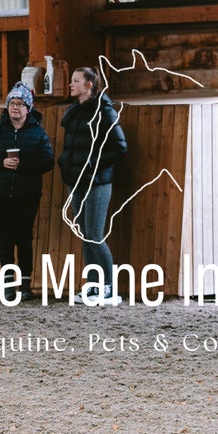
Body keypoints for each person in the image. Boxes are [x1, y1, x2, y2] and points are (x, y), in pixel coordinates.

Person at [0, 81, 54, 299]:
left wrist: (23, 164)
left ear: (28, 108)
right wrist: (1, 163)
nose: (15, 107)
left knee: (25, 237)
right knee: (5, 239)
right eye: (12, 103)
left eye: (20, 104)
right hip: (0, 193)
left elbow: (47, 161)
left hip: (27, 193)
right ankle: (9, 285)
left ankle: (26, 284)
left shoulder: (38, 133)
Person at [58, 65, 127, 305]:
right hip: (76, 180)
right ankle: (94, 285)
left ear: (88, 85)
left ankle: (110, 287)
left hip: (97, 182)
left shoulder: (104, 112)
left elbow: (119, 146)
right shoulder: (74, 112)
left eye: (76, 81)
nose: (71, 84)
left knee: (95, 235)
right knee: (85, 235)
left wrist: (92, 166)